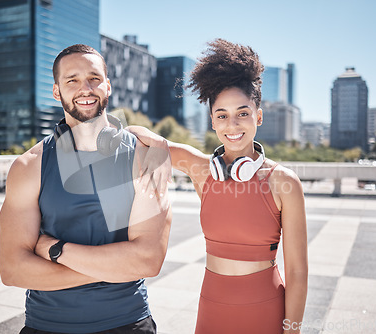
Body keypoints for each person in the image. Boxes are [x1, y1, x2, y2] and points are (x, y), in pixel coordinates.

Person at [128, 38, 308, 333]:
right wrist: (161, 144)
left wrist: (292, 328)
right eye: (222, 116)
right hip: (212, 306)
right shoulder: (202, 171)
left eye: (243, 113)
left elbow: (298, 271)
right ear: (212, 121)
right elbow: (133, 135)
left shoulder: (284, 182)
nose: (232, 125)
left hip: (265, 308)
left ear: (258, 116)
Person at [0, 44, 172, 334]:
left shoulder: (146, 156)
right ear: (57, 91)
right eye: (72, 80)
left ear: (108, 86)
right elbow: (13, 269)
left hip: (127, 323)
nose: (85, 88)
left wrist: (53, 250)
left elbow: (148, 260)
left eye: (94, 78)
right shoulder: (29, 167)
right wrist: (114, 267)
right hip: (46, 326)